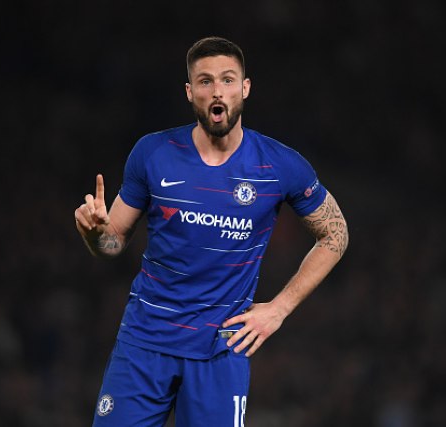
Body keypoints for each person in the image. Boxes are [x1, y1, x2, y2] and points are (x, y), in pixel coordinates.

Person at [74, 36, 348, 427]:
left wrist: (279, 309)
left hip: (220, 352)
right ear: (190, 92)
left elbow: (335, 234)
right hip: (144, 344)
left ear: (245, 88)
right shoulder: (153, 153)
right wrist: (94, 234)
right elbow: (112, 242)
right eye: (205, 81)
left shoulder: (279, 165)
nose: (217, 91)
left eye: (227, 79)